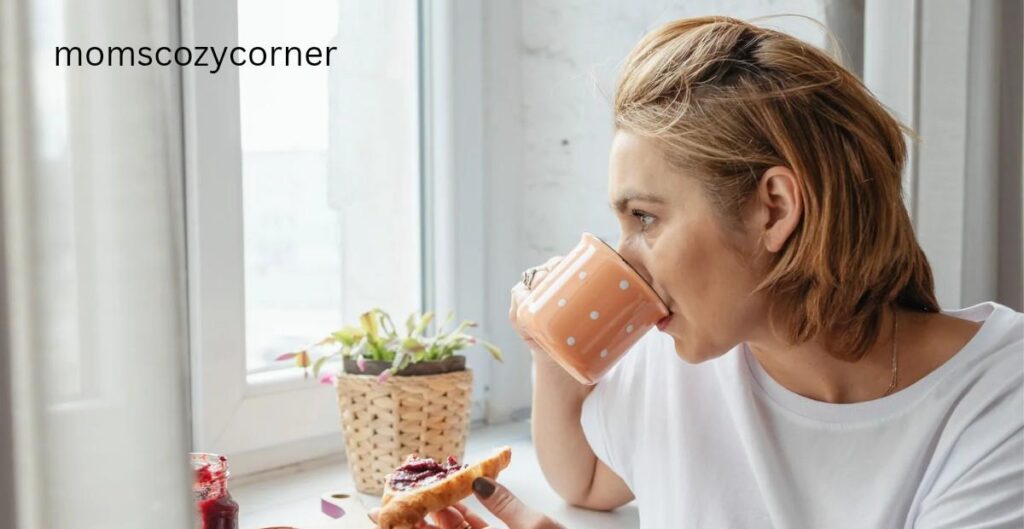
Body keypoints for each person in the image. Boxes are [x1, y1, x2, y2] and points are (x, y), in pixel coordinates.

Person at [376, 15, 1024, 529]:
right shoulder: (685, 357)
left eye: (645, 217)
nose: (623, 258)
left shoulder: (1000, 397)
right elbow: (587, 480)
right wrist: (551, 350)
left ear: (774, 208)